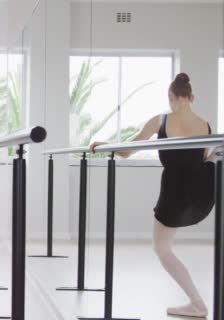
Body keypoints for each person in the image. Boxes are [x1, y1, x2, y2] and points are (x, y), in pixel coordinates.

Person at [90, 73, 214, 318]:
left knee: (161, 249)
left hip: (174, 194)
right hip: (201, 192)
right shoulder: (205, 124)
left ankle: (197, 303)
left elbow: (126, 151)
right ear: (192, 97)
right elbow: (200, 160)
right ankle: (196, 303)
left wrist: (103, 145)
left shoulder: (161, 120)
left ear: (170, 97)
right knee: (214, 158)